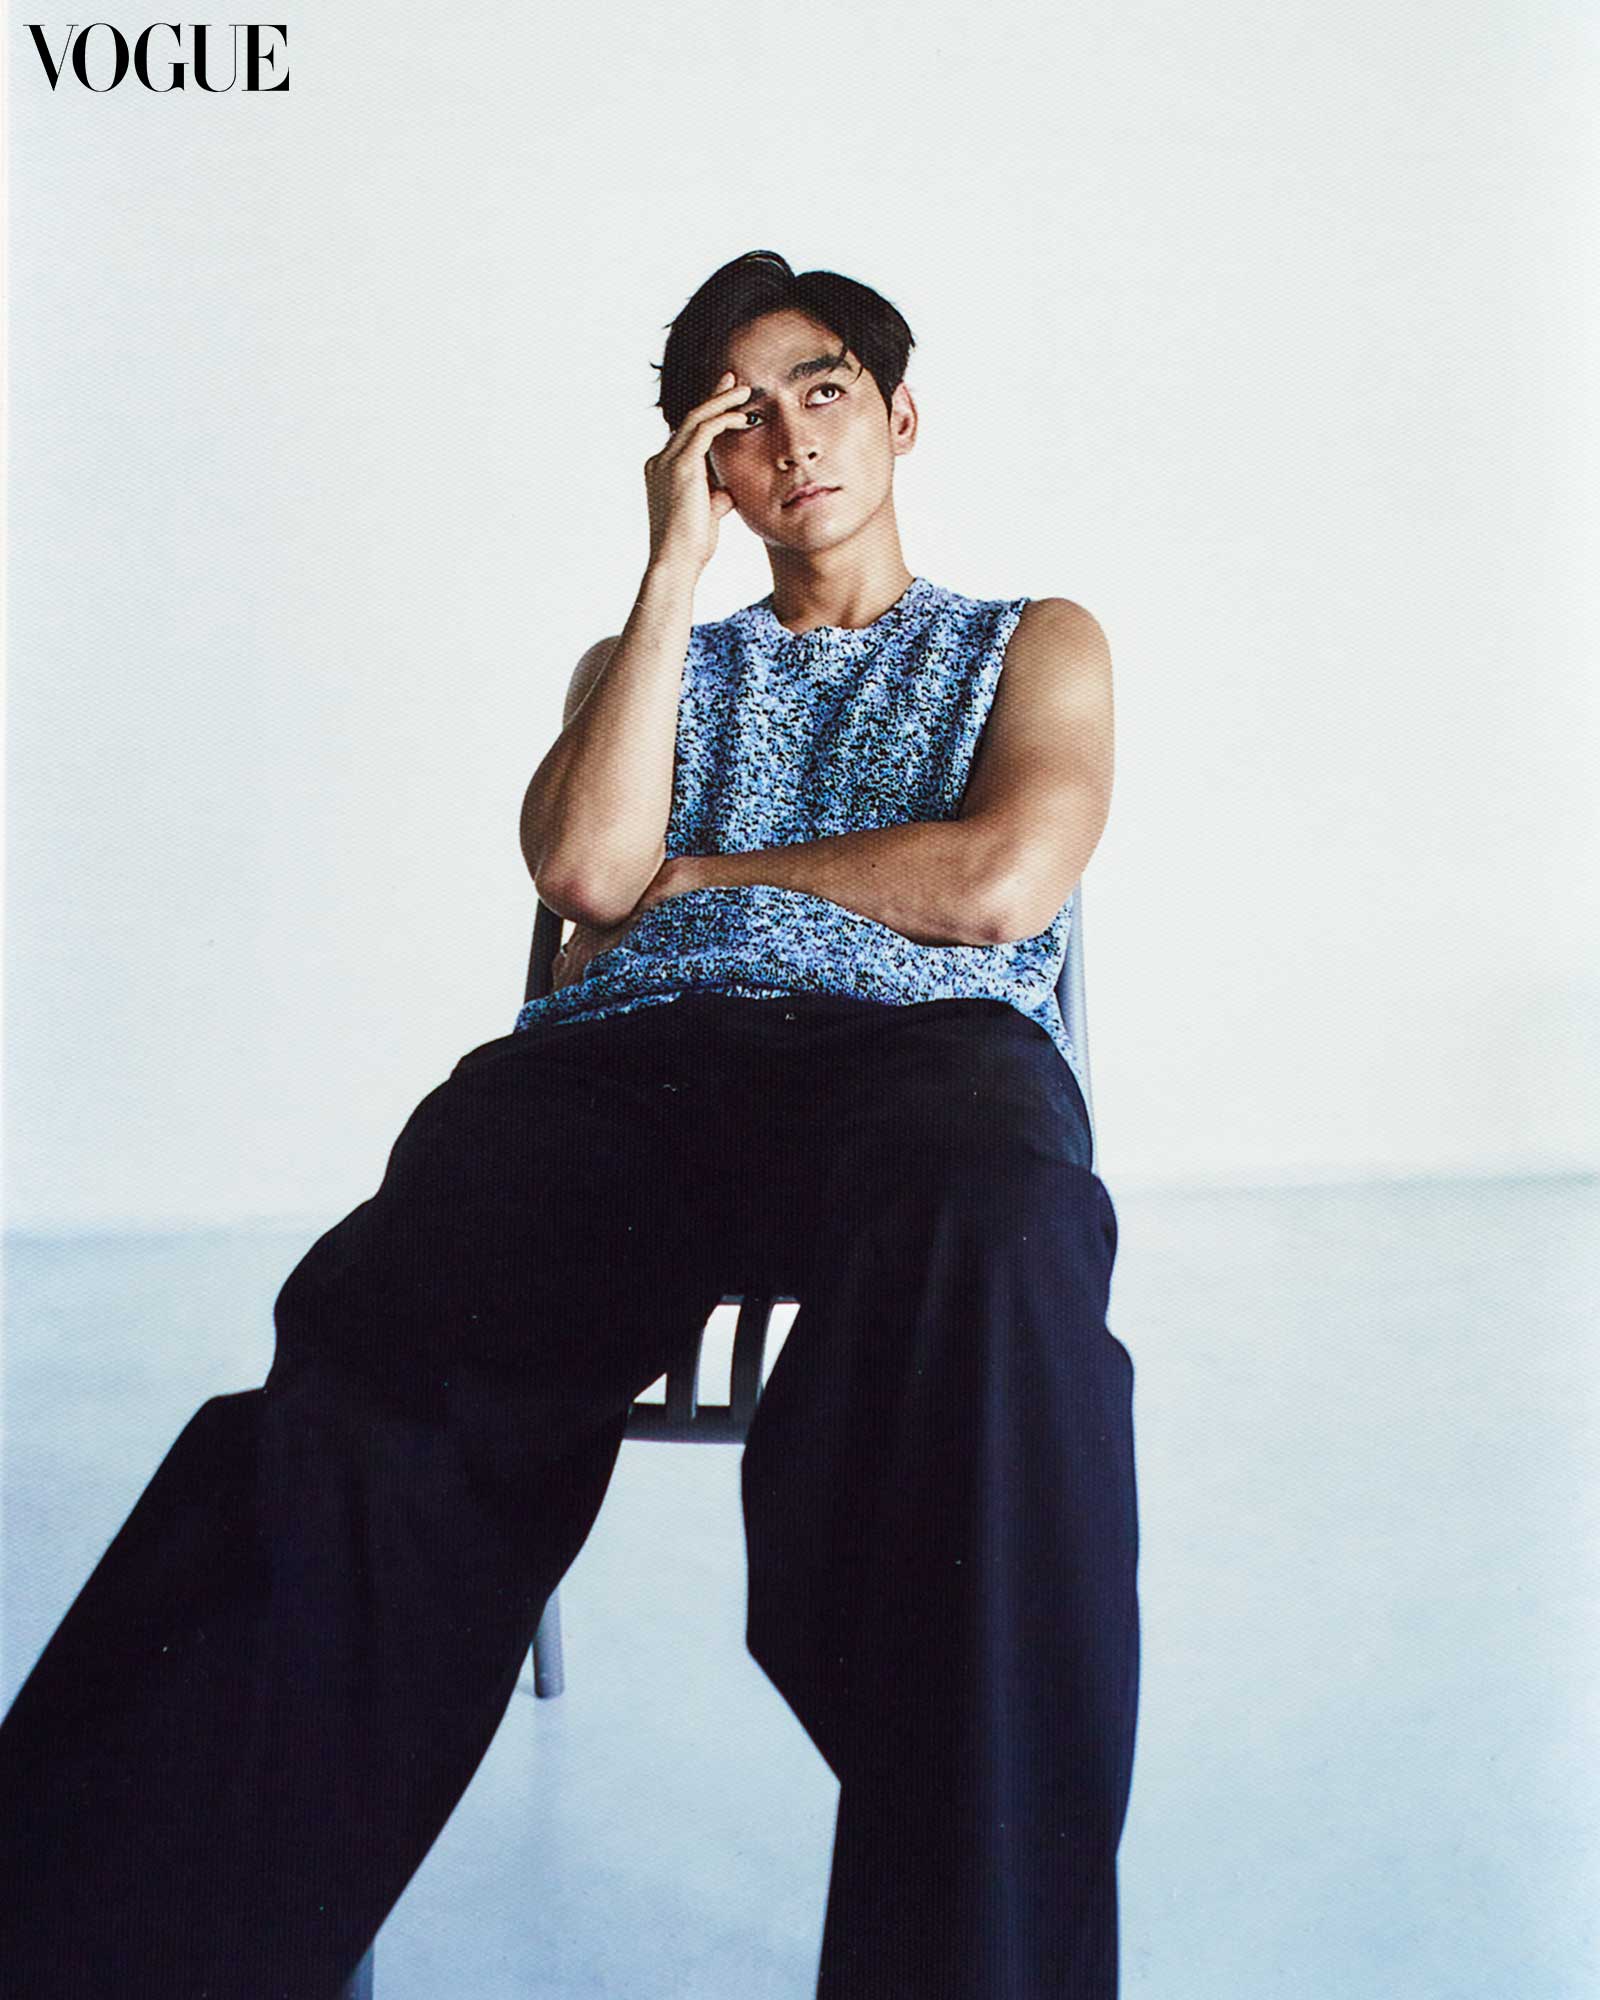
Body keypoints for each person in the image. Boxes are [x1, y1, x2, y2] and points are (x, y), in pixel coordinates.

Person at [0, 249, 1138, 1998]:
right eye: (737, 420)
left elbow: (1000, 883)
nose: (790, 439)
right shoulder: (645, 660)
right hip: (634, 1065)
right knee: (381, 1366)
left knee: (1007, 1276)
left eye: (825, 389)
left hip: (924, 1061)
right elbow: (588, 873)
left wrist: (715, 876)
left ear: (901, 416)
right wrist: (672, 568)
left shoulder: (1030, 643)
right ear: (703, 465)